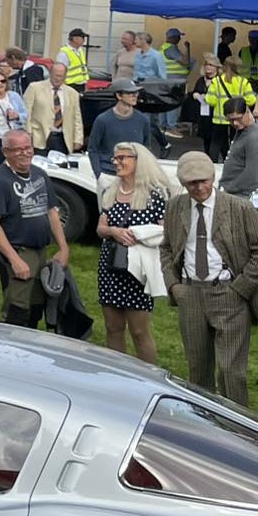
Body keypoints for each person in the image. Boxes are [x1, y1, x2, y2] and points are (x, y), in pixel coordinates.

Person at [161, 150, 258, 405]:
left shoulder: (239, 208)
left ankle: (238, 430)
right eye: (193, 183)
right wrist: (174, 286)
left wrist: (241, 288)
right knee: (197, 370)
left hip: (229, 294)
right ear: (183, 183)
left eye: (204, 180)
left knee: (230, 372)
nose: (200, 187)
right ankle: (203, 426)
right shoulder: (175, 207)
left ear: (213, 177)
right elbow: (167, 247)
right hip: (190, 295)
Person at [0, 129, 71, 328]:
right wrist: (15, 260)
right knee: (17, 310)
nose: (24, 153)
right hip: (19, 249)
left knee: (38, 305)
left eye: (28, 148)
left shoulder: (40, 175)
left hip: (41, 250)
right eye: (17, 150)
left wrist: (64, 248)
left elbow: (52, 212)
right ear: (5, 152)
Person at [96, 140, 167, 365]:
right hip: (111, 265)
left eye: (122, 158)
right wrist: (114, 231)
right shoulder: (110, 191)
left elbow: (166, 232)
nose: (117, 163)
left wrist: (140, 234)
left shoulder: (155, 195)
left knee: (139, 330)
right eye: (115, 158)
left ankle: (148, 377)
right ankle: (117, 373)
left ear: (138, 161)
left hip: (139, 269)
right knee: (113, 327)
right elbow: (100, 228)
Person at [86, 79, 164, 180]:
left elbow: (146, 148)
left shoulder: (142, 120)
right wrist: (99, 174)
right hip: (109, 174)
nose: (135, 95)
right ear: (119, 96)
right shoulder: (103, 120)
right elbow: (93, 149)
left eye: (136, 92)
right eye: (130, 93)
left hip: (135, 175)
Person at [24, 69, 83, 157]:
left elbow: (77, 118)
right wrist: (28, 133)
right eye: (56, 75)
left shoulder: (73, 93)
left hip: (62, 139)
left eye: (61, 76)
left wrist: (78, 139)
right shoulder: (34, 88)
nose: (58, 79)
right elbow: (26, 112)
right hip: (39, 138)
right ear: (50, 74)